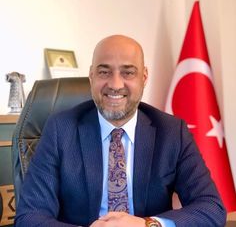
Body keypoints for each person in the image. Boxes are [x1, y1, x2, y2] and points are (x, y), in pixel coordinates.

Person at [15, 35, 226, 227]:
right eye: (104, 72)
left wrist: (147, 225)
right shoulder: (61, 129)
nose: (115, 84)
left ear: (144, 77)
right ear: (91, 76)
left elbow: (211, 208)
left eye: (128, 72)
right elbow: (30, 216)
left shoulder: (172, 132)